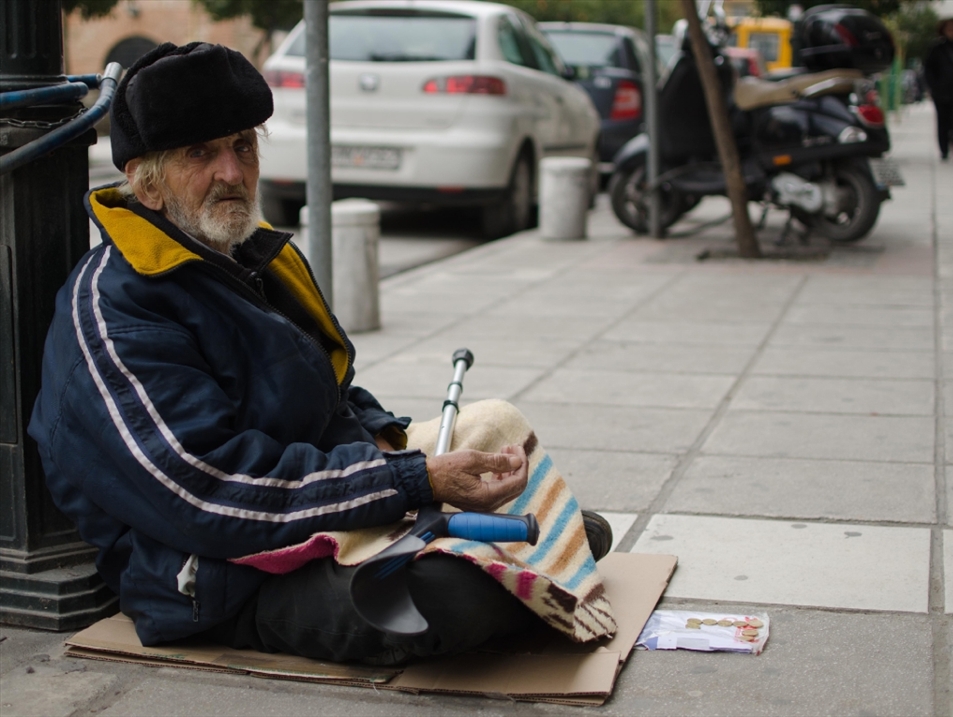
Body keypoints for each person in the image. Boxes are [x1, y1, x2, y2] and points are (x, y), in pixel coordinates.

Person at [28, 42, 612, 665]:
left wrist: (389, 442)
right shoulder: (116, 305)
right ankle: (498, 559)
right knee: (452, 594)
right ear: (146, 182)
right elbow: (206, 493)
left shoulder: (245, 255)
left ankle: (494, 548)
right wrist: (408, 480)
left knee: (521, 463)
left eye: (243, 146)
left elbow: (329, 393)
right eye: (202, 153)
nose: (232, 172)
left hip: (314, 508)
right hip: (222, 574)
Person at [924, 17, 953, 161]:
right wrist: (934, 88)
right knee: (943, 122)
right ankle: (944, 149)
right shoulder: (936, 48)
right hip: (941, 92)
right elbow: (928, 70)